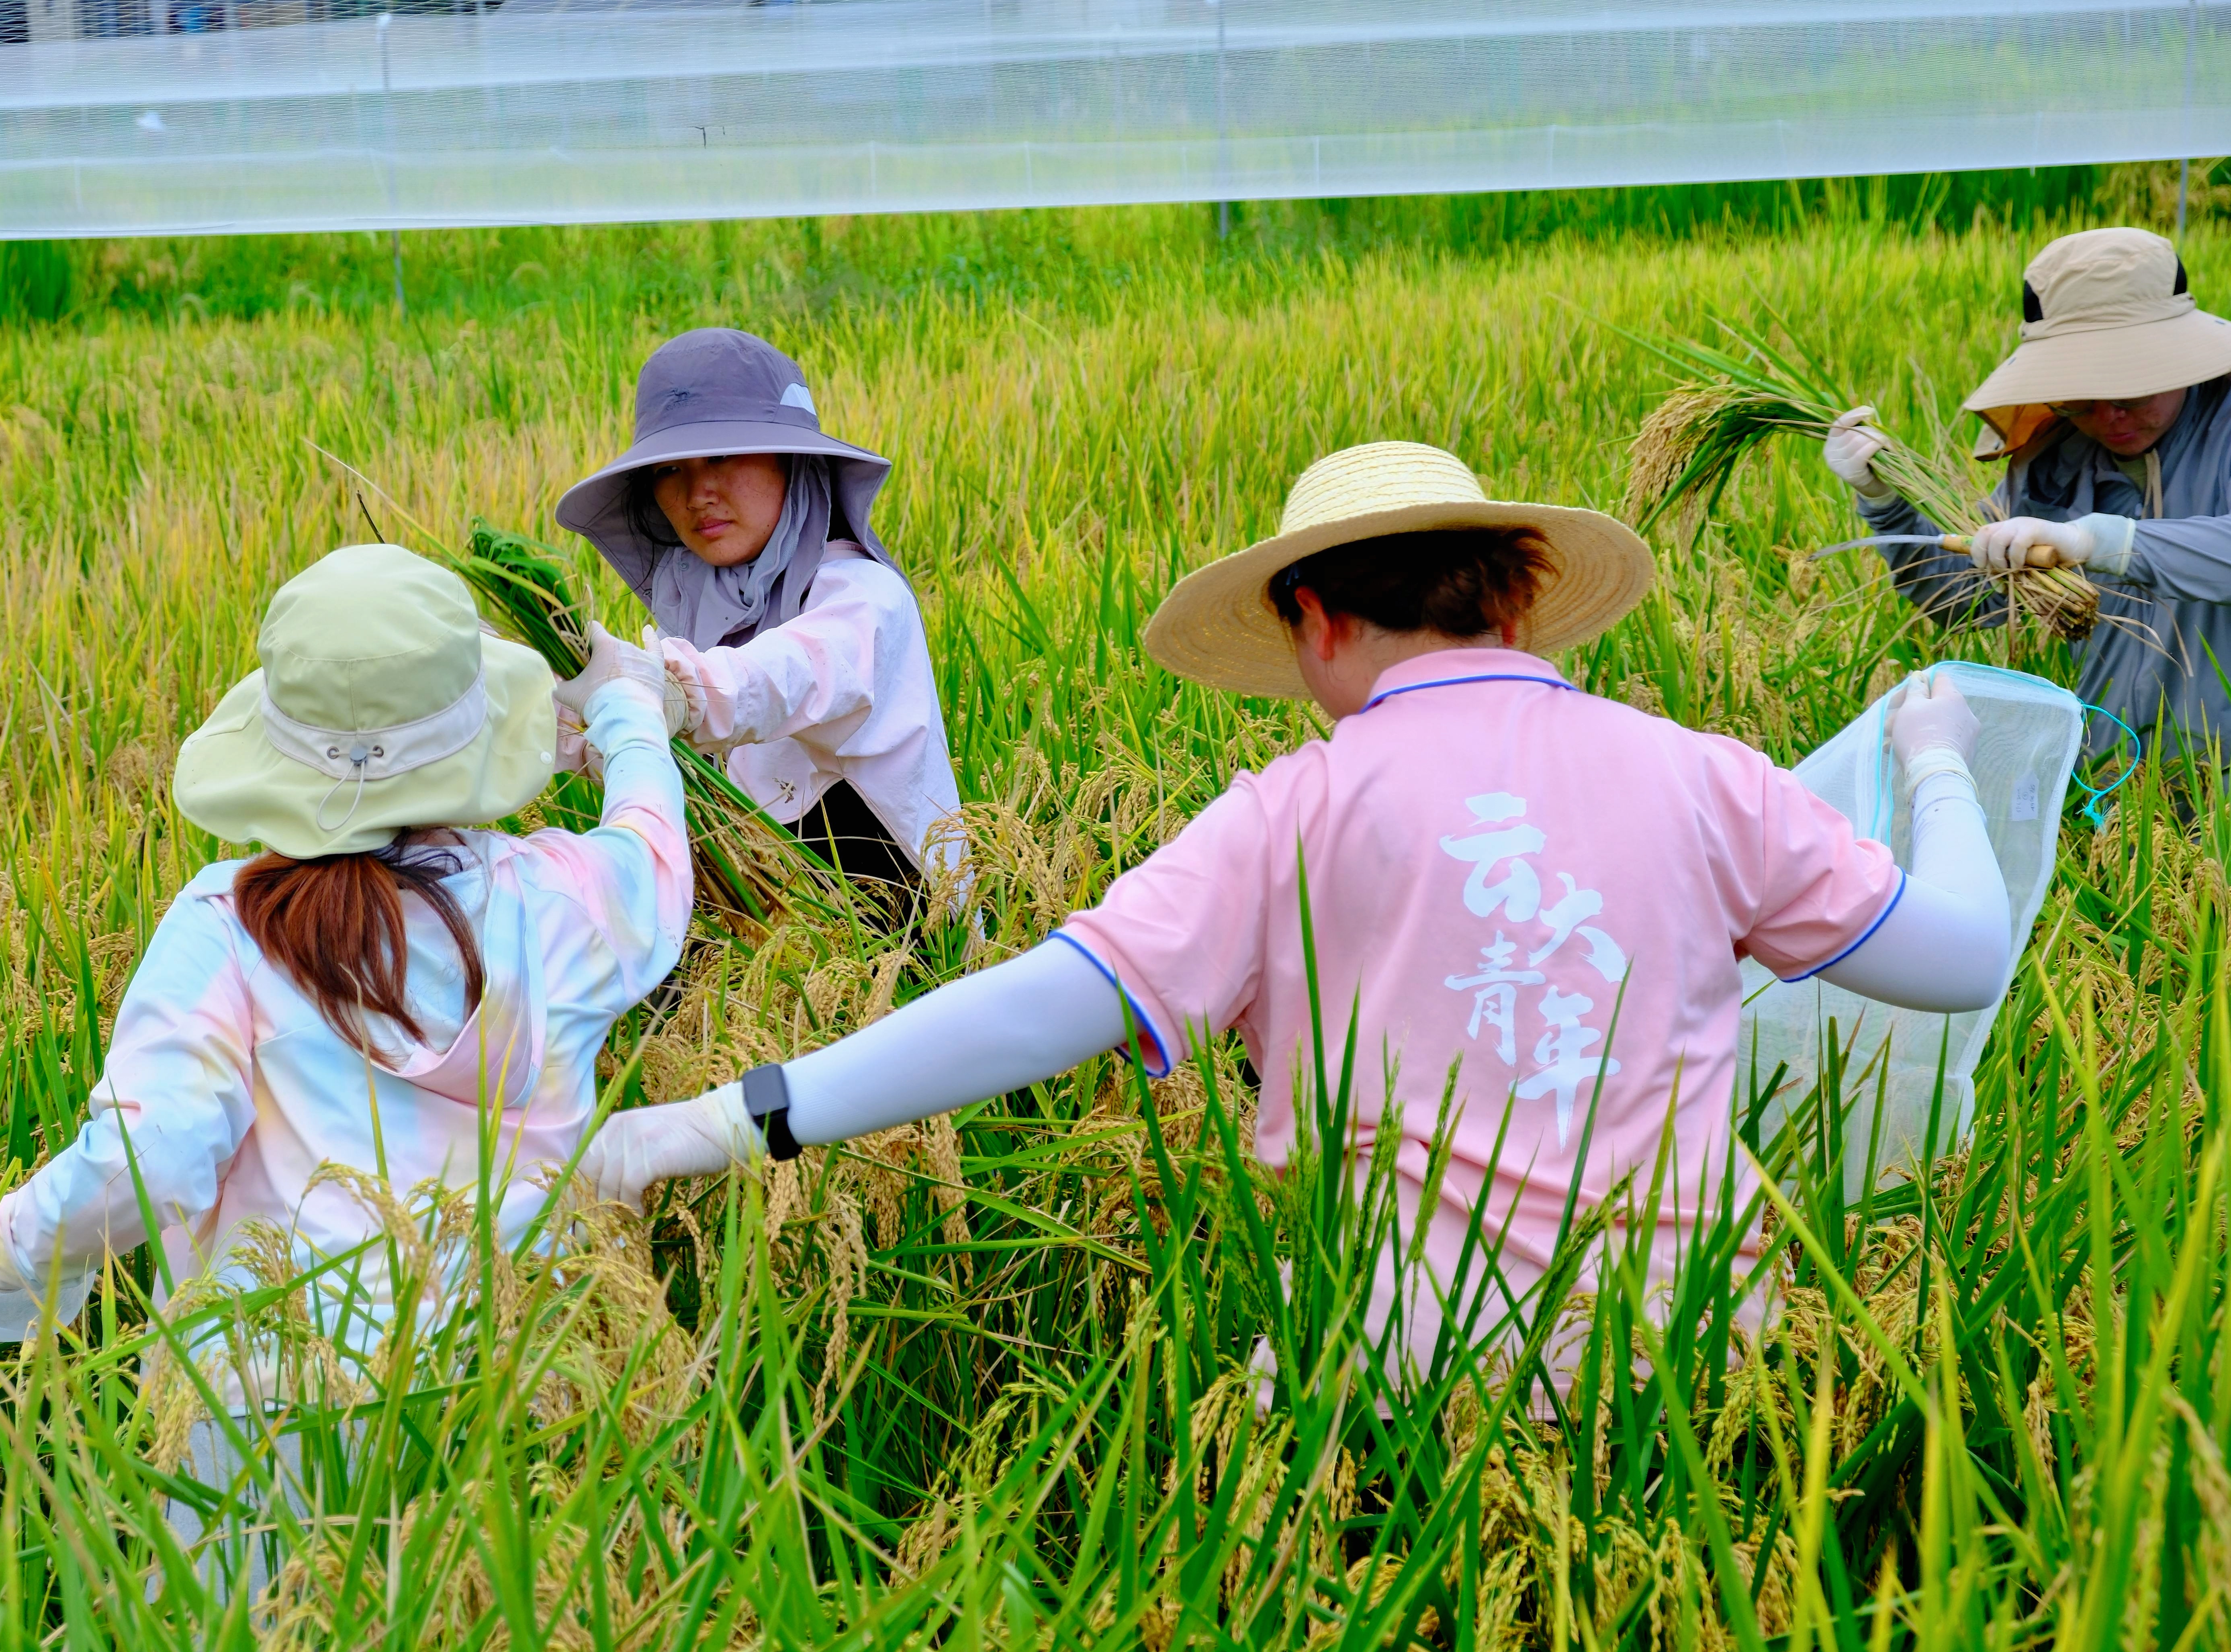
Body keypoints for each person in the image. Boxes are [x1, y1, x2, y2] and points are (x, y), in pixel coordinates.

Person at [577, 442, 2014, 1376]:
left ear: (1312, 622)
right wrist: (1939, 767)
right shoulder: (1710, 780)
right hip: (1708, 1363)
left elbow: (1031, 1010)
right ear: (1519, 605)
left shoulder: (1292, 816)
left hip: (1398, 1382)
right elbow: (1964, 960)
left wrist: (717, 1122)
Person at [0, 543, 691, 1340]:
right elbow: (652, 850)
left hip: (264, 1424)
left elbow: (156, 1154)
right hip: (516, 1412)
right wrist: (627, 713)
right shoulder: (561, 898)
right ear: (472, 743)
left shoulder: (225, 931)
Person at [556, 327, 963, 917]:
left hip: (906, 940)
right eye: (670, 469)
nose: (698, 493)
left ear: (791, 462)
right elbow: (643, 756)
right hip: (774, 942)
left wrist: (671, 692)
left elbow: (784, 677)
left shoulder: (863, 600)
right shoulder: (697, 615)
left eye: (722, 456)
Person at [1827, 225, 2231, 758]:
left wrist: (2095, 541)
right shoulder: (2054, 461)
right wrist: (1887, 502)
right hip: (2112, 783)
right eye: (2080, 398)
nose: (2110, 417)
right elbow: (1966, 603)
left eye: (2134, 391)